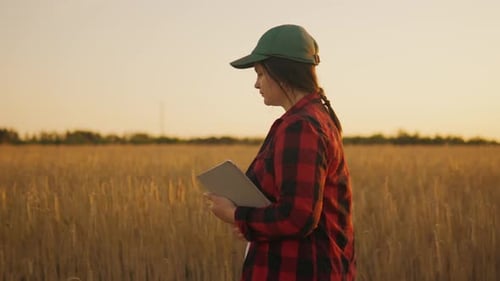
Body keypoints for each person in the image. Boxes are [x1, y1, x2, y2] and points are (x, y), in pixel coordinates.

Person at [204, 24, 356, 281]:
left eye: (260, 73)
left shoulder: (302, 126)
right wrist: (253, 223)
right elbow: (290, 206)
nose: (256, 84)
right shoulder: (312, 119)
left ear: (282, 73)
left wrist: (235, 215)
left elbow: (298, 216)